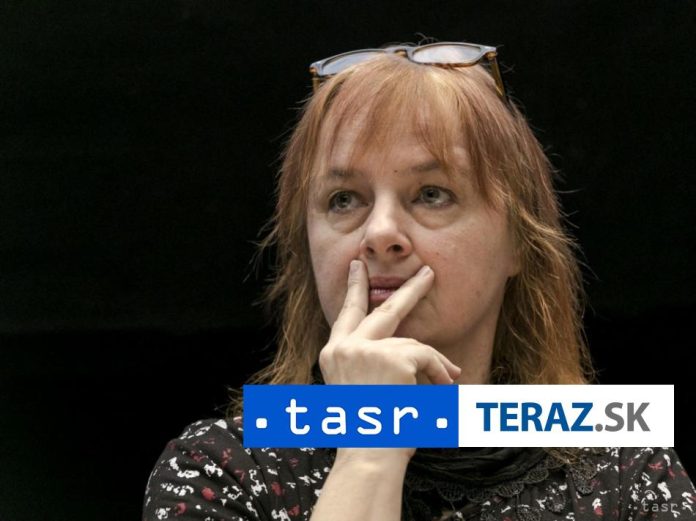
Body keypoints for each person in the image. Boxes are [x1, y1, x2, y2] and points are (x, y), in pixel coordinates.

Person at [142, 42, 696, 521]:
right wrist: (371, 444)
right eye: (344, 199)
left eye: (432, 194)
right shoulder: (218, 469)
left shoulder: (629, 470)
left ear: (519, 243)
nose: (381, 233)